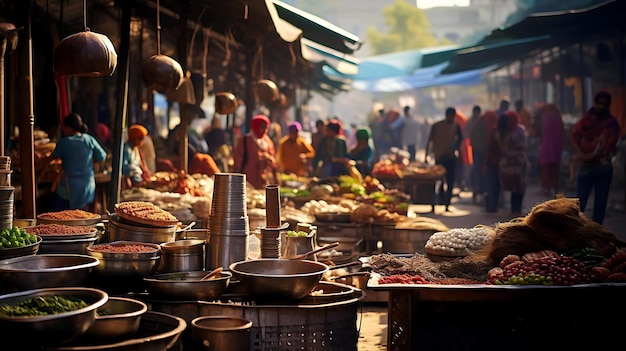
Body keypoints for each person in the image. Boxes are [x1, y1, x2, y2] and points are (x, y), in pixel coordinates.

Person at [570, 90, 620, 224]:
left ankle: (596, 233)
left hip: (602, 169)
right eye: (599, 103)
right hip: (586, 168)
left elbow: (608, 147)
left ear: (608, 105)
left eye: (605, 104)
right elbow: (574, 136)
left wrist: (588, 156)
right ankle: (576, 230)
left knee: (600, 203)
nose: (601, 107)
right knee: (580, 202)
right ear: (595, 103)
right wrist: (581, 154)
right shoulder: (586, 120)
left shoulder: (612, 124)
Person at [49, 112, 107, 211]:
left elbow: (51, 159)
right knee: (84, 216)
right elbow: (102, 156)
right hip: (88, 185)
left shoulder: (63, 142)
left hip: (69, 187)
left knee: (59, 214)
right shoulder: (89, 139)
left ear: (68, 127)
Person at [424, 107, 463, 212]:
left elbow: (460, 140)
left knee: (450, 182)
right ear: (447, 115)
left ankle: (446, 204)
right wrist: (426, 155)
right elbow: (429, 141)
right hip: (440, 157)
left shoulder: (456, 126)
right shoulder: (437, 126)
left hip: (450, 157)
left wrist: (456, 149)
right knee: (438, 181)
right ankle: (439, 202)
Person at [496, 110, 528, 217]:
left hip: (517, 162)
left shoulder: (517, 131)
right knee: (515, 186)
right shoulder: (508, 131)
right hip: (513, 163)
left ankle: (516, 209)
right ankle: (515, 209)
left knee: (519, 186)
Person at [233, 114, 277, 189]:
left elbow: (274, 160)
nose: (264, 130)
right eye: (262, 127)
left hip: (263, 181)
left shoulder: (267, 142)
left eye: (266, 128)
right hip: (248, 181)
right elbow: (238, 160)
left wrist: (269, 159)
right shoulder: (245, 141)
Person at [536, 103, 565, 195]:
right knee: (555, 167)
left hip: (546, 145)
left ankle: (546, 187)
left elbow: (539, 130)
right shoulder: (557, 117)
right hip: (557, 146)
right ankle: (554, 187)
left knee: (545, 167)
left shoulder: (544, 117)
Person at [465, 105, 483, 203]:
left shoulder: (482, 121)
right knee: (476, 171)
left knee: (480, 172)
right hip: (475, 150)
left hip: (482, 150)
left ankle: (479, 192)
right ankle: (475, 191)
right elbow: (467, 134)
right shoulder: (471, 122)